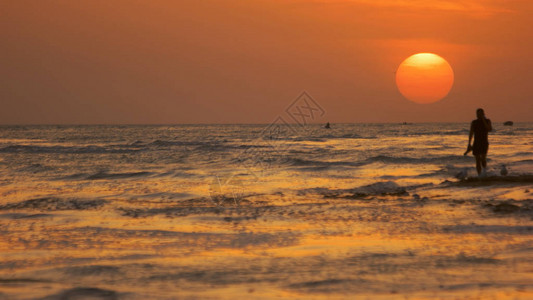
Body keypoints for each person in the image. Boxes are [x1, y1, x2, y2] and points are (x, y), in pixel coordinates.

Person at [466, 108, 492, 176]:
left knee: (483, 159)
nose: (479, 115)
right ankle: (479, 175)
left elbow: (489, 129)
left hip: (484, 142)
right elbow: (471, 133)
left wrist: (483, 120)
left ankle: (484, 172)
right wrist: (469, 143)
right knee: (477, 160)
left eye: (480, 114)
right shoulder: (474, 122)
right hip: (476, 143)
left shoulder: (487, 121)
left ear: (483, 114)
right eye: (478, 114)